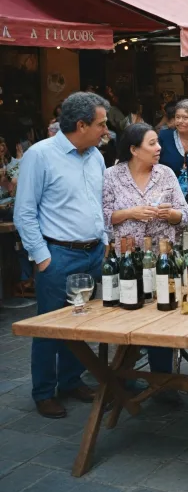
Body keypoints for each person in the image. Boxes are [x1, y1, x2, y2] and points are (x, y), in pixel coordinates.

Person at [14, 92, 110, 419]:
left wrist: (104, 239)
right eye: (101, 124)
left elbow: (97, 203)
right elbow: (24, 212)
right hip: (58, 256)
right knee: (49, 327)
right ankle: (43, 391)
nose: (106, 130)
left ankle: (71, 381)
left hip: (93, 252)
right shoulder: (39, 156)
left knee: (80, 324)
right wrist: (43, 258)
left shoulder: (95, 155)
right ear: (81, 125)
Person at [103, 123, 188, 404]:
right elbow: (103, 216)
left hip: (161, 261)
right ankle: (124, 383)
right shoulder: (112, 176)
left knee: (161, 321)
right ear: (133, 149)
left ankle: (163, 384)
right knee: (126, 320)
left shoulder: (165, 174)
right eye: (152, 143)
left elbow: (185, 214)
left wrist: (170, 215)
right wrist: (131, 212)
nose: (159, 148)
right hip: (127, 262)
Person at [158, 99, 188, 206]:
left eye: (185, 118)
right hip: (167, 201)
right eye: (177, 117)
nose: (180, 121)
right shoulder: (164, 137)